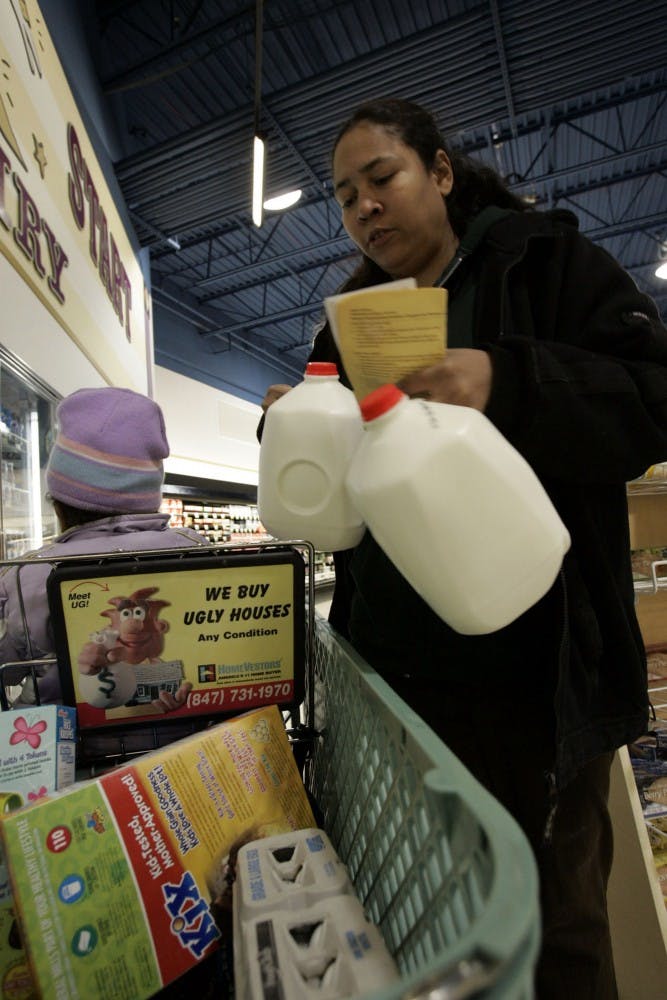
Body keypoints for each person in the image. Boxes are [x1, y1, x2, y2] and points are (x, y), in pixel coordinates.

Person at [260, 97, 667, 999]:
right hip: (405, 686)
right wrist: (303, 431)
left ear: (439, 173)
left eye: (381, 177)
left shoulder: (545, 266)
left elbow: (654, 396)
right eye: (342, 194)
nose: (363, 205)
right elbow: (344, 509)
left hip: (539, 680)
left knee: (555, 925)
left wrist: (509, 377)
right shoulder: (350, 323)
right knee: (435, 918)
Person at [0, 386, 208, 712]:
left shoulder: (28, 574)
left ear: (58, 504)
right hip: (179, 732)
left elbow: (8, 667)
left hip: (68, 747)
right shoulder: (193, 550)